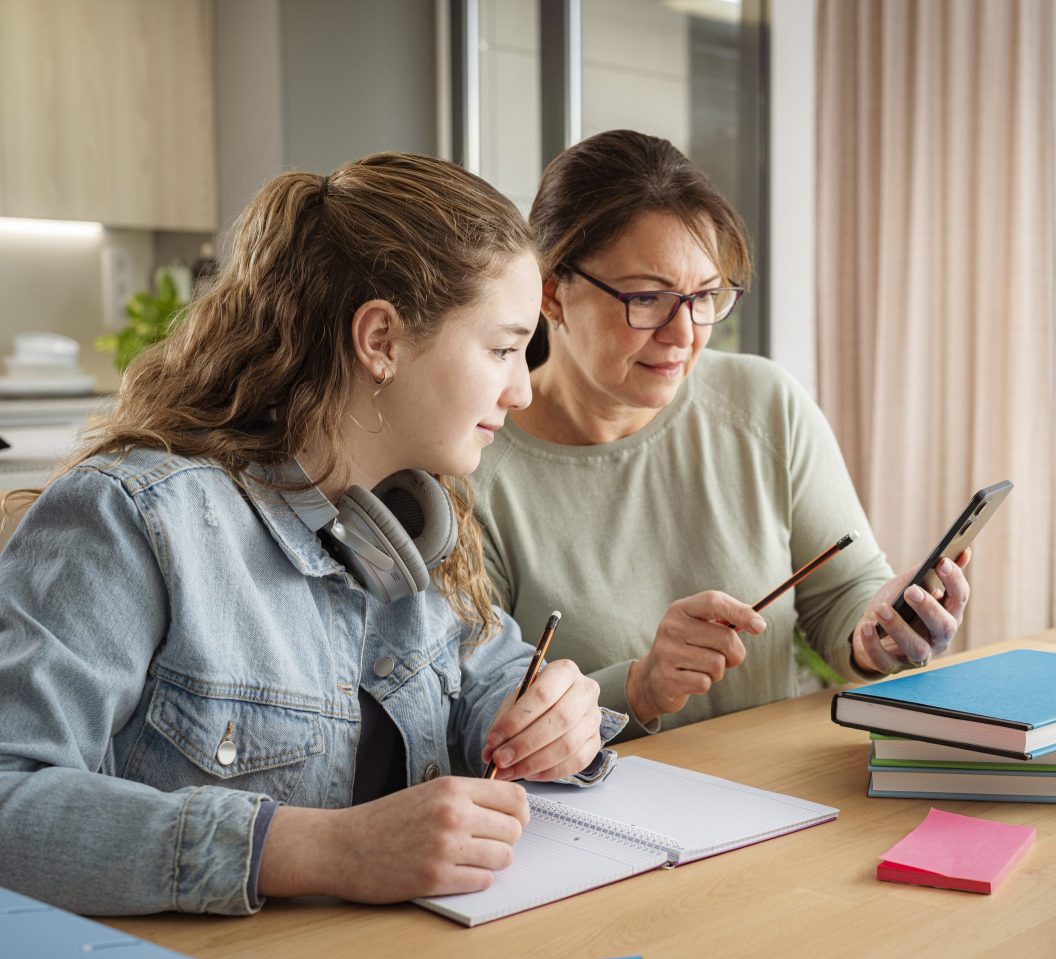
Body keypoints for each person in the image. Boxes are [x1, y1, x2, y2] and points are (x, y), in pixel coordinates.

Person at [0, 153, 613, 917]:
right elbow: (10, 800)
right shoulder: (132, 520)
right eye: (501, 348)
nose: (521, 389)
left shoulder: (416, 521)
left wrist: (547, 714)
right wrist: (321, 848)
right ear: (381, 339)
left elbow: (487, 673)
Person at [473, 130, 972, 741]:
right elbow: (479, 721)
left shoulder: (764, 405)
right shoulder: (477, 467)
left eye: (705, 295)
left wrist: (880, 632)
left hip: (778, 795)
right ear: (553, 292)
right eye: (649, 298)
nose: (684, 334)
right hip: (592, 824)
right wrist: (639, 688)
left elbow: (843, 597)